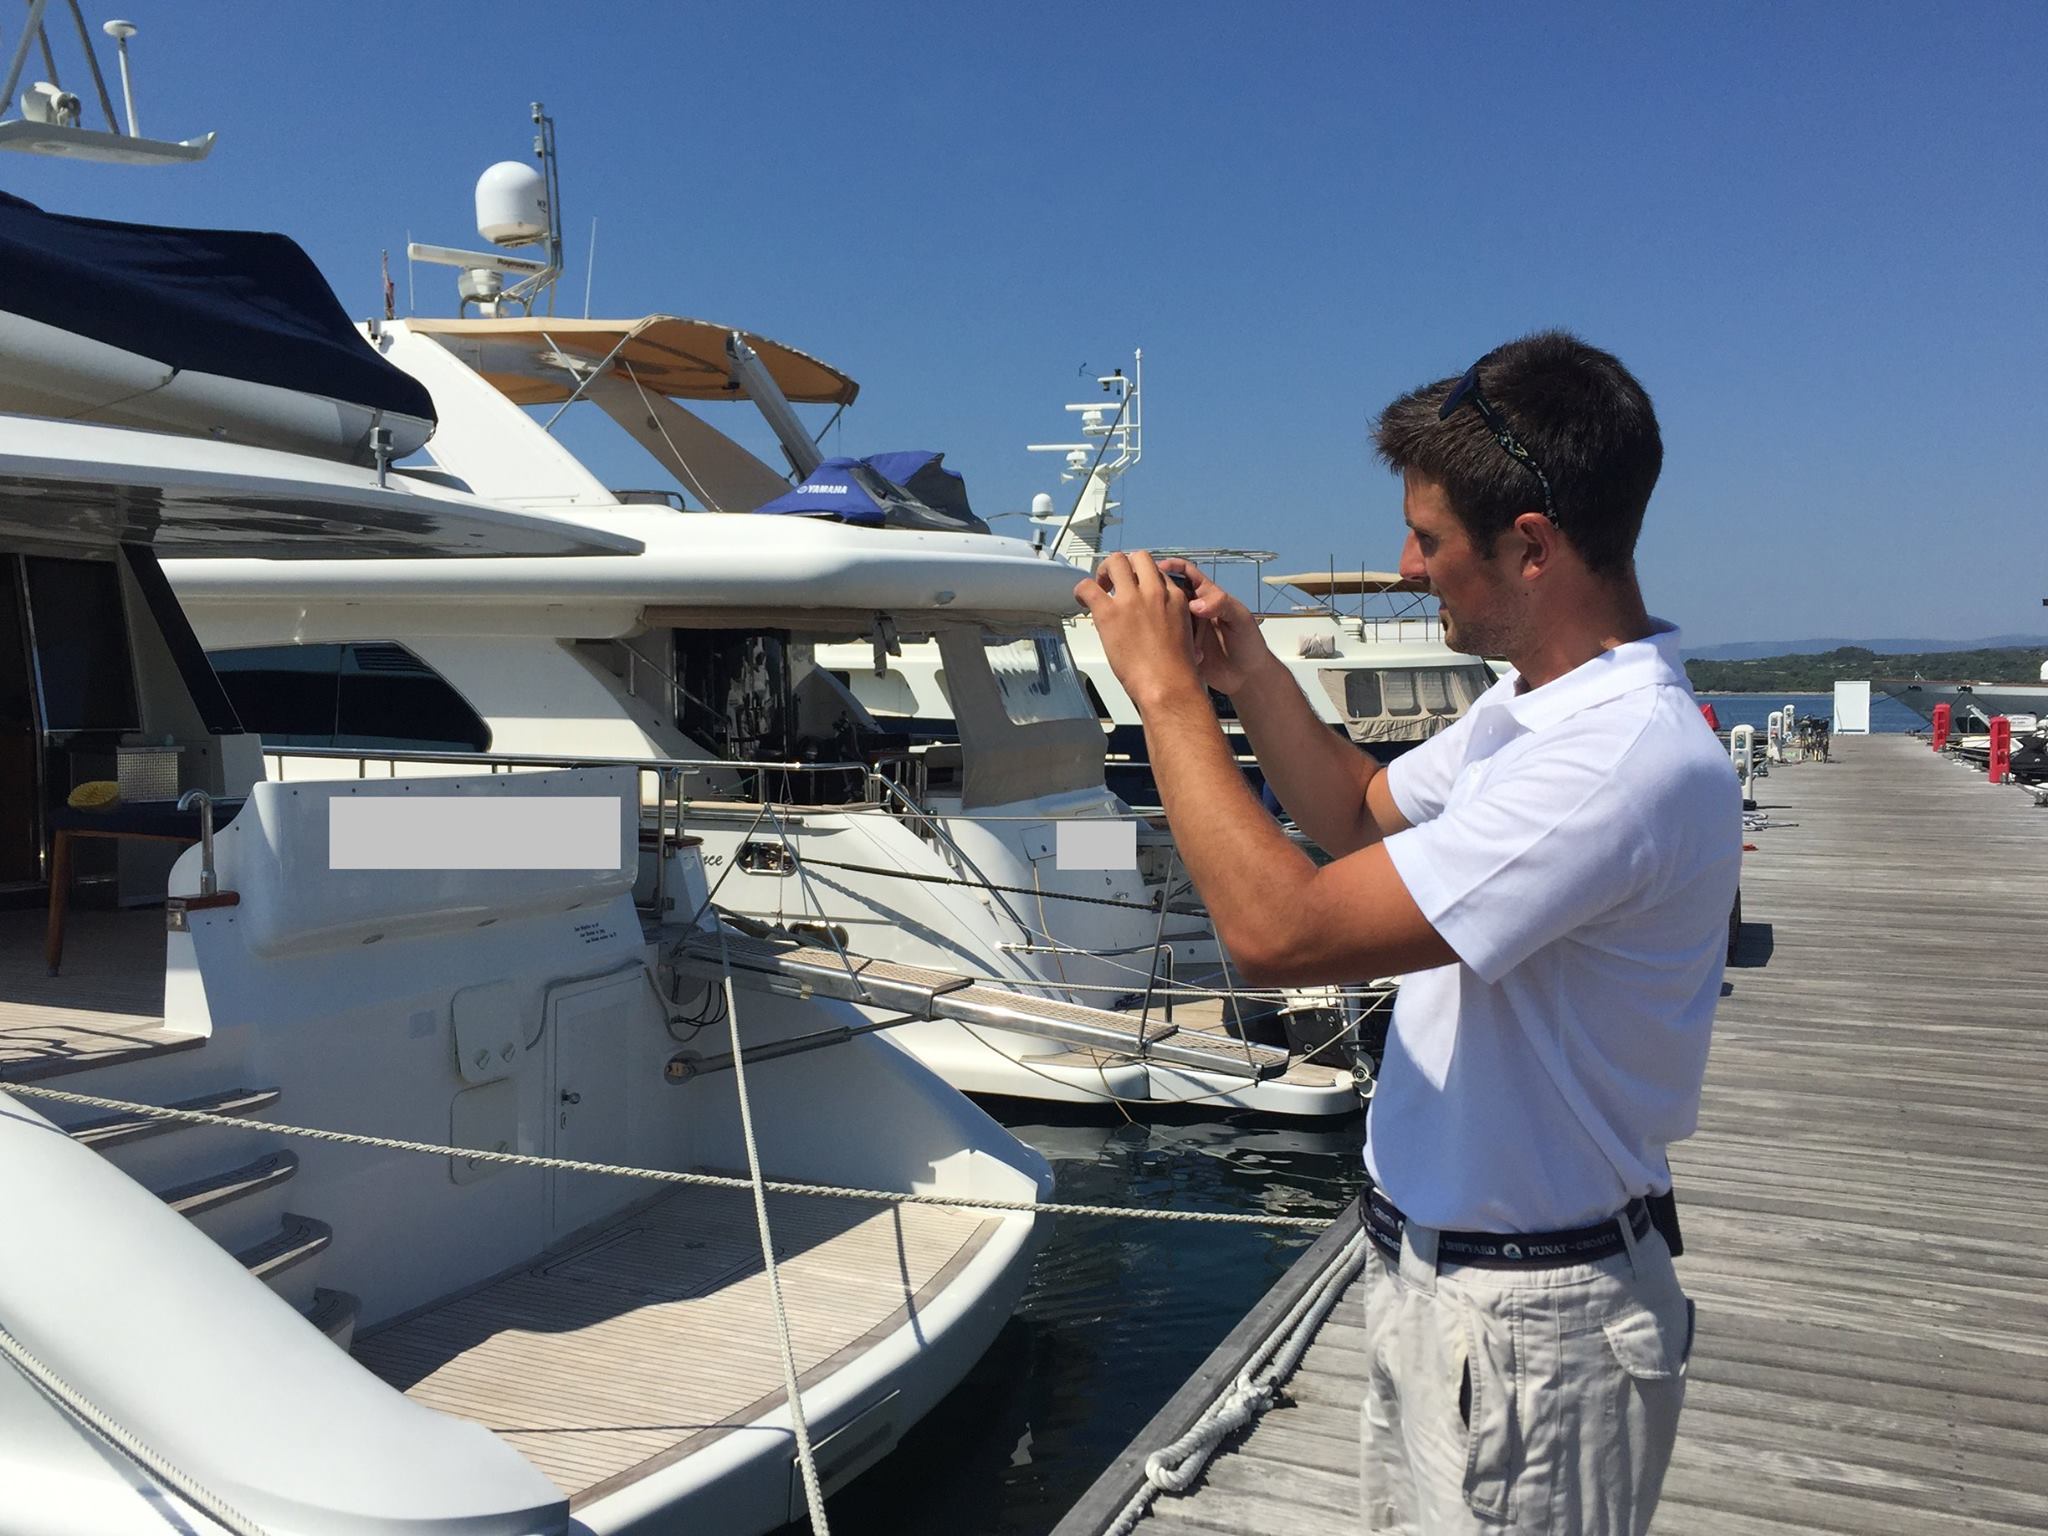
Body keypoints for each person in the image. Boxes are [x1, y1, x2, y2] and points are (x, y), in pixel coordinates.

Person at [1077, 330, 1740, 1535]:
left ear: (1528, 546)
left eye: (1427, 539)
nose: (1403, 566)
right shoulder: (1531, 714)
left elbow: (1278, 930)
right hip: (1446, 1290)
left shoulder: (1616, 761)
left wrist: (1161, 694)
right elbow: (1355, 813)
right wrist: (1246, 673)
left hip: (1531, 1328)